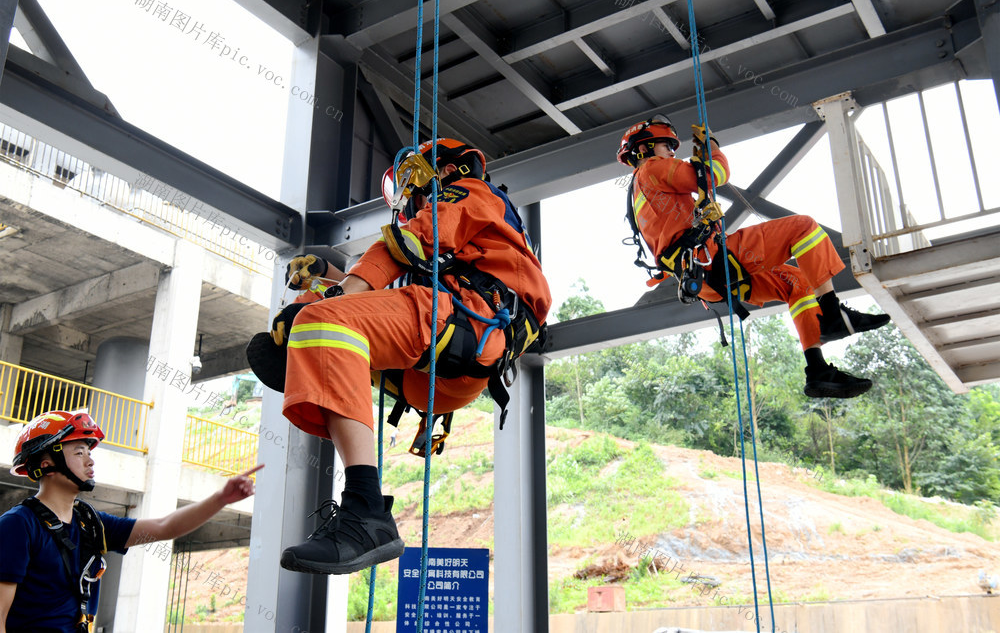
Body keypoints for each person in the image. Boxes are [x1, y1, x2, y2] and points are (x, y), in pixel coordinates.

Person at [259, 138, 551, 576]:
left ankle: (366, 510)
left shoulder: (472, 193)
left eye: (412, 182)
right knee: (318, 332)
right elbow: (383, 297)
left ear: (444, 172)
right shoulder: (460, 247)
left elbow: (408, 242)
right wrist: (325, 283)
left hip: (465, 326)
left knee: (321, 323)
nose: (408, 197)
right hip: (447, 362)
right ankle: (363, 508)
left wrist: (332, 298)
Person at [616, 115, 890, 398]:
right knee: (803, 227)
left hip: (706, 279)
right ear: (644, 149)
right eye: (666, 146)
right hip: (711, 258)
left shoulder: (642, 189)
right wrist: (711, 145)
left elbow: (677, 219)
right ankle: (832, 313)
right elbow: (714, 176)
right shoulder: (651, 168)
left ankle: (818, 370)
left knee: (797, 283)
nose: (672, 152)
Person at [0, 410, 261, 633]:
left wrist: (221, 498)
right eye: (79, 452)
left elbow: (164, 527)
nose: (90, 460)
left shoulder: (90, 523)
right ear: (47, 464)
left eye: (89, 452)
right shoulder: (18, 525)